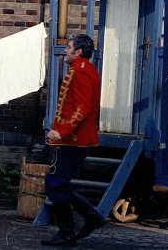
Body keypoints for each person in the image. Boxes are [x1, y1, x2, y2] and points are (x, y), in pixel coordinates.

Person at [42, 34, 106, 247]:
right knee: (58, 183)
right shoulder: (79, 69)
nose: (65, 50)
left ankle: (69, 231)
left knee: (54, 183)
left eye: (69, 47)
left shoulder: (83, 71)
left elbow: (82, 108)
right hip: (71, 138)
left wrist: (62, 132)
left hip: (74, 139)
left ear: (78, 52)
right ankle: (90, 218)